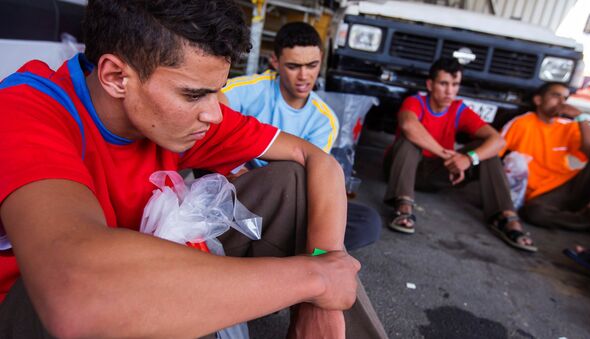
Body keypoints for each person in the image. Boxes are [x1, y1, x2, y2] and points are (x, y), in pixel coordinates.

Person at [0, 1, 362, 338]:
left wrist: (325, 267)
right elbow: (75, 290)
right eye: (194, 94)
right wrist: (316, 280)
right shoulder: (26, 111)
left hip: (138, 267)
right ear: (115, 76)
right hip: (42, 310)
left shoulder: (178, 117)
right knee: (74, 288)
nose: (214, 113)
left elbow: (317, 158)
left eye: (216, 91)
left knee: (291, 183)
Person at [220, 22, 382, 252]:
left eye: (312, 65)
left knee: (367, 222)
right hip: (235, 184)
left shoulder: (324, 120)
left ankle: (285, 242)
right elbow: (211, 112)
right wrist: (234, 166)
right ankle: (290, 249)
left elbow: (310, 179)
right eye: (294, 66)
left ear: (322, 60)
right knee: (293, 173)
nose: (304, 76)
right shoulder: (251, 90)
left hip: (285, 195)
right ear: (275, 62)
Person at [383, 57, 537, 252]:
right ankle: (403, 206)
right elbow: (408, 125)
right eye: (443, 84)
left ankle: (505, 217)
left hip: (435, 173)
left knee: (485, 148)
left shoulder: (458, 109)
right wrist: (446, 154)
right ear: (430, 84)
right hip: (401, 169)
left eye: (455, 85)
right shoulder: (415, 102)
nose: (450, 91)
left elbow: (498, 140)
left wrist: (468, 158)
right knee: (409, 140)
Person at [501, 82, 590, 230]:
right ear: (538, 100)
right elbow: (495, 152)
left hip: (569, 185)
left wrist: (581, 118)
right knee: (534, 213)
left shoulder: (568, 125)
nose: (561, 102)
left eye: (565, 98)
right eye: (556, 96)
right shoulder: (522, 123)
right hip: (541, 196)